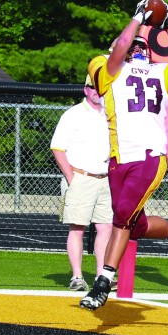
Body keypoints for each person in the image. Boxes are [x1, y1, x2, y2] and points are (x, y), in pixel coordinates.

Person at [80, 0, 168, 311]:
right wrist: (138, 19)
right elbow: (122, 44)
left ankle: (102, 282)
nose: (137, 45)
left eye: (143, 45)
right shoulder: (105, 68)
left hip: (150, 157)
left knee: (122, 218)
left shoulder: (160, 74)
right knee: (132, 225)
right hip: (118, 160)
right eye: (131, 44)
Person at [50, 75, 114, 292]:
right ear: (85, 90)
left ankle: (101, 277)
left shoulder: (111, 113)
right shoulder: (73, 114)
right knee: (77, 227)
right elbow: (57, 147)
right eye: (93, 87)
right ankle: (77, 277)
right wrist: (71, 177)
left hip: (105, 179)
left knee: (105, 228)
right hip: (80, 177)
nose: (97, 91)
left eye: (102, 87)